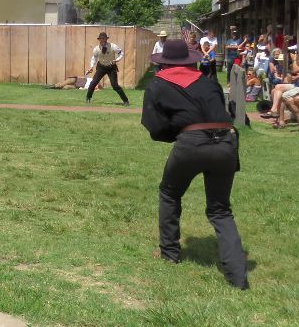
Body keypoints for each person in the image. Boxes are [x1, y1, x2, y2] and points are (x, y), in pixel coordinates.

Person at [141, 39, 249, 290]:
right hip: (227, 141)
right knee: (220, 209)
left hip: (191, 142)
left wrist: (179, 136)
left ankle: (170, 253)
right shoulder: (207, 80)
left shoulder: (157, 84)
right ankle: (238, 277)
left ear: (163, 63)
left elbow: (155, 127)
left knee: (169, 193)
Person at [85, 31, 130, 106]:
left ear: (106, 39)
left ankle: (126, 101)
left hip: (111, 67)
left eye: (104, 38)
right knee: (93, 82)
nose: (102, 40)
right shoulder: (96, 49)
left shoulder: (113, 46)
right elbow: (94, 58)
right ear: (99, 40)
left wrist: (118, 59)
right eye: (101, 39)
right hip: (101, 67)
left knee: (115, 85)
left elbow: (121, 53)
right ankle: (88, 98)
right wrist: (91, 67)